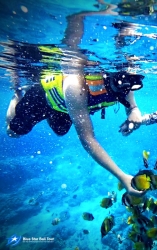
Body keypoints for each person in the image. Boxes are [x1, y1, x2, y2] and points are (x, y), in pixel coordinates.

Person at [5, 3, 146, 197]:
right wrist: (122, 176)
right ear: (108, 75)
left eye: (131, 84)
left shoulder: (124, 78)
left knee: (61, 131)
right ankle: (18, 91)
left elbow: (128, 89)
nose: (126, 89)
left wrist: (134, 109)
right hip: (44, 99)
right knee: (13, 131)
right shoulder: (76, 84)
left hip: (68, 108)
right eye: (122, 84)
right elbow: (87, 139)